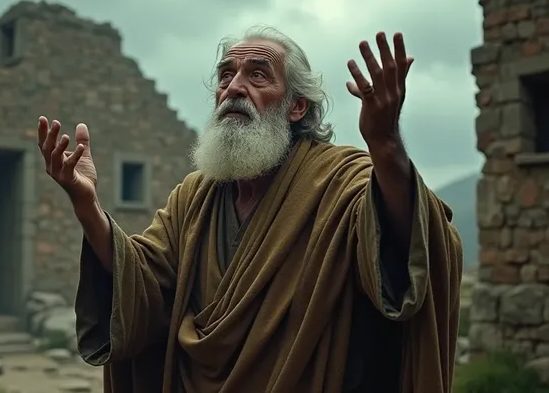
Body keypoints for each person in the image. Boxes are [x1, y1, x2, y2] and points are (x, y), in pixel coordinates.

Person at [36, 26, 463, 393]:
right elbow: (143, 281)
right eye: (226, 75)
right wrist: (87, 204)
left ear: (296, 106)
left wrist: (386, 146)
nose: (234, 87)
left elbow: (409, 245)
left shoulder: (339, 180)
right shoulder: (195, 196)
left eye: (257, 75)